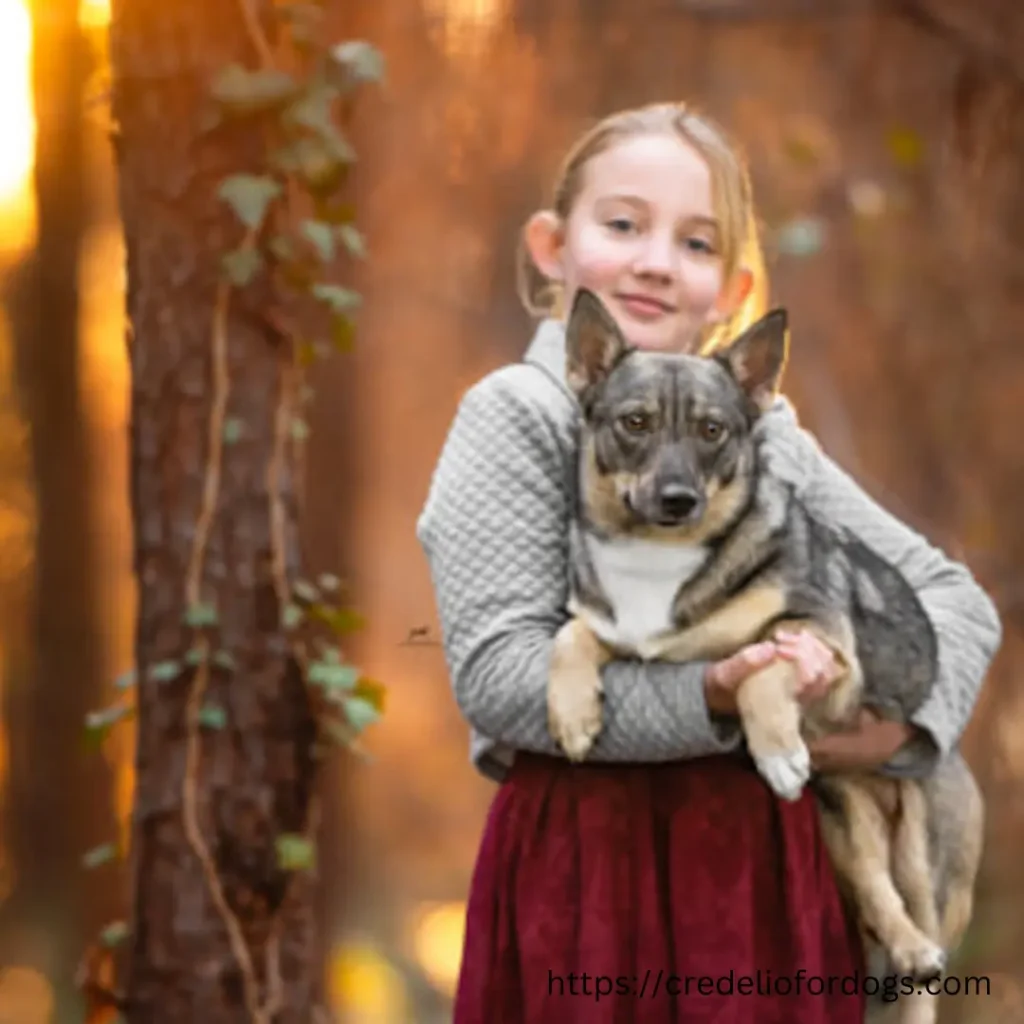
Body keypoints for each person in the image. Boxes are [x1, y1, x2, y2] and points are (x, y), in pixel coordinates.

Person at [416, 103, 1002, 1024]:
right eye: (622, 225)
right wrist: (717, 697)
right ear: (549, 244)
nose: (655, 260)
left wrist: (897, 735)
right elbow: (499, 677)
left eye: (696, 243)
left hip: (768, 867)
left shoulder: (765, 436)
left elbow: (954, 600)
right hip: (590, 872)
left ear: (730, 288)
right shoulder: (518, 414)